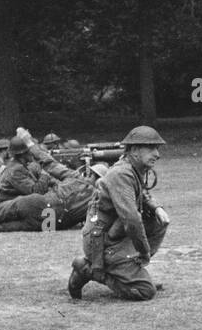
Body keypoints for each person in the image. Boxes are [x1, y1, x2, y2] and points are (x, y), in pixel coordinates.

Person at [67, 126, 169, 301]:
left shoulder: (132, 169)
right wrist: (144, 252)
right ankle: (88, 270)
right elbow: (131, 219)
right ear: (135, 150)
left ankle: (131, 271)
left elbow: (141, 194)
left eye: (157, 148)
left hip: (113, 235)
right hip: (101, 242)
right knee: (145, 291)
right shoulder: (121, 174)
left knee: (156, 221)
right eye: (152, 148)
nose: (157, 154)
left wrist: (156, 207)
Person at [0, 136, 61, 202]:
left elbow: (35, 182)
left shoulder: (21, 165)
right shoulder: (16, 170)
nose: (35, 153)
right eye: (32, 151)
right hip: (8, 205)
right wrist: (44, 175)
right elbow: (36, 192)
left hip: (14, 203)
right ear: (23, 153)